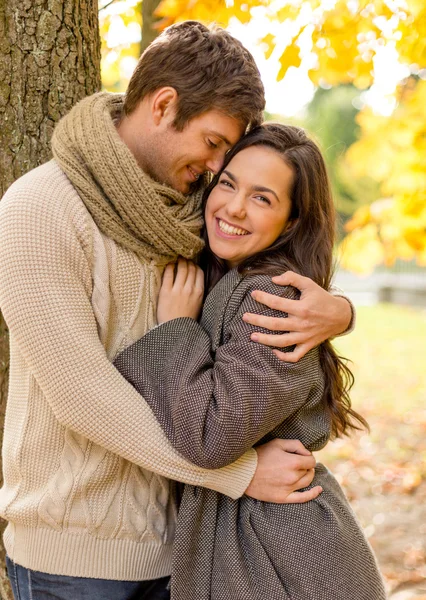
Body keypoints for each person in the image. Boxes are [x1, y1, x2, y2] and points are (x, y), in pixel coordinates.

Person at [0, 22, 354, 600]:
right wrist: (238, 474)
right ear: (164, 105)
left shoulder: (193, 211)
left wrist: (339, 310)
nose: (217, 169)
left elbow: (273, 250)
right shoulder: (40, 208)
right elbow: (81, 394)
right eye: (215, 143)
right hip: (76, 557)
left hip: (187, 551)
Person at [114, 123, 387, 600]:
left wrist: (175, 329)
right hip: (253, 537)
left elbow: (211, 437)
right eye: (228, 184)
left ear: (293, 221)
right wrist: (344, 313)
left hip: (279, 553)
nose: (234, 207)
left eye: (263, 198)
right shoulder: (231, 274)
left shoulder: (271, 296)